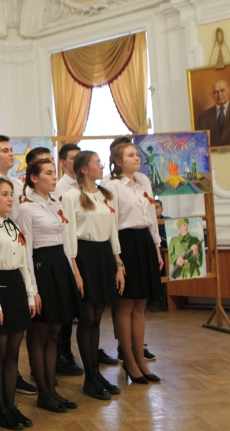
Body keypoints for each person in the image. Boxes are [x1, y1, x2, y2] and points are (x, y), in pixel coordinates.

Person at [15, 159, 81, 414]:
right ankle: (43, 392)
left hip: (59, 266)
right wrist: (32, 289)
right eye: (49, 173)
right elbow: (26, 251)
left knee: (55, 330)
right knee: (40, 332)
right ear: (34, 178)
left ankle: (51, 389)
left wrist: (72, 272)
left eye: (55, 173)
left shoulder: (55, 203)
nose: (54, 177)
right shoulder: (26, 209)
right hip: (41, 267)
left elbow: (65, 241)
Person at [62, 151, 125, 400]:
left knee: (97, 318)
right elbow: (69, 235)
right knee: (87, 318)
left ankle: (96, 373)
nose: (101, 166)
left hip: (103, 256)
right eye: (97, 163)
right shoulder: (71, 196)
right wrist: (75, 270)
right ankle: (89, 377)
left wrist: (118, 263)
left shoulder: (105, 194)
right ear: (84, 169)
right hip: (84, 256)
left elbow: (113, 230)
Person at [0, 179, 38, 430]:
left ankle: (11, 406)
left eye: (11, 194)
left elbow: (23, 263)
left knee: (13, 352)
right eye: (4, 194)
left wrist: (30, 294)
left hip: (16, 287)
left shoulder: (13, 226)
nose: (10, 198)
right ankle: (0, 410)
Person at [106, 142, 164, 385]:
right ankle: (128, 360)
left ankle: (141, 359)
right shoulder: (112, 185)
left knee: (141, 303)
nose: (137, 158)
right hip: (125, 242)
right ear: (118, 161)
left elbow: (151, 217)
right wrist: (117, 258)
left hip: (144, 241)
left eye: (137, 154)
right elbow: (111, 223)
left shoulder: (144, 181)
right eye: (131, 155)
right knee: (126, 304)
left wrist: (157, 248)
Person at [51, 144, 87, 376]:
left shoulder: (88, 186)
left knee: (87, 306)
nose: (78, 161)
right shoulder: (59, 188)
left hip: (86, 248)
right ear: (63, 162)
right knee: (66, 305)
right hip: (67, 248)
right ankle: (63, 353)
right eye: (73, 158)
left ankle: (88, 349)